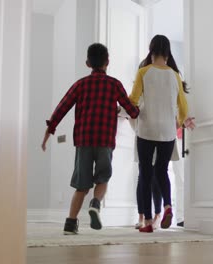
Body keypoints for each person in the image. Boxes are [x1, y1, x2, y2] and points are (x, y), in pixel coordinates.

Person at [41, 43, 139, 235]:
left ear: (88, 63)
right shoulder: (114, 84)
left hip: (84, 140)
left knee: (81, 185)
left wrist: (49, 130)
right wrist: (134, 111)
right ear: (107, 62)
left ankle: (70, 223)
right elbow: (132, 111)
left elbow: (63, 106)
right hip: (105, 141)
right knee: (103, 178)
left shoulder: (80, 84)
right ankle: (95, 203)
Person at [129, 35, 191, 233]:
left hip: (146, 130)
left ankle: (147, 222)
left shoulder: (143, 72)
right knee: (162, 172)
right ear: (167, 52)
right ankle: (167, 207)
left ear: (151, 49)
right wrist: (180, 122)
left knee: (146, 175)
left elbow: (133, 100)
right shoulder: (175, 75)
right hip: (167, 132)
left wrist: (127, 111)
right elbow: (183, 106)